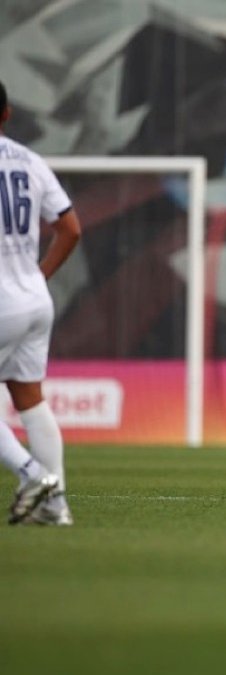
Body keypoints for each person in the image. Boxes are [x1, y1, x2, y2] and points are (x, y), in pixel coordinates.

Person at [0, 79, 82, 526]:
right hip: (33, 299)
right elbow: (70, 228)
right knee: (29, 398)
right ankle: (55, 508)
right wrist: (38, 275)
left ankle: (35, 476)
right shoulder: (30, 160)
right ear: (7, 114)